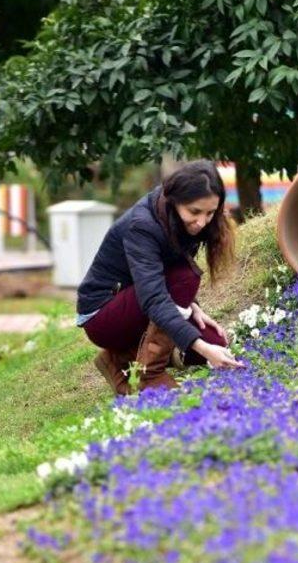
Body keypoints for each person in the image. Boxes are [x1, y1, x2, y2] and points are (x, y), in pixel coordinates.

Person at [76, 159, 244, 395]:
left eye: (210, 213)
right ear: (175, 201)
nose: (202, 222)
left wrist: (194, 308)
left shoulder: (178, 219)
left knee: (216, 342)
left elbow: (166, 271)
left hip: (135, 302)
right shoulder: (142, 226)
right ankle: (149, 374)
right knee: (188, 285)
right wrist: (202, 347)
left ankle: (118, 359)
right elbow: (154, 296)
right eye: (195, 212)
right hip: (102, 316)